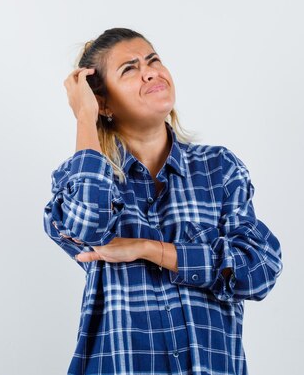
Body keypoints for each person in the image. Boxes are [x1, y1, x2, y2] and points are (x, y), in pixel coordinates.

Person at [42, 27, 283, 375]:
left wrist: (147, 248)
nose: (151, 71)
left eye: (153, 60)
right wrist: (84, 118)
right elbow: (87, 223)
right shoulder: (80, 179)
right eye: (130, 69)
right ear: (103, 103)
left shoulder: (218, 169)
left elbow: (258, 269)